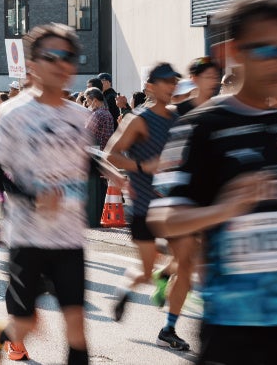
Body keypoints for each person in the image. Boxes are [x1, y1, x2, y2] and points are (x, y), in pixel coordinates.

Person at [147, 0, 277, 364]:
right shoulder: (203, 126)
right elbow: (162, 218)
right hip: (234, 327)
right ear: (235, 51)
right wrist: (225, 209)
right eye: (265, 47)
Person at [0, 23, 92, 365]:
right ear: (32, 64)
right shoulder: (12, 113)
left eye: (69, 57)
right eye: (52, 56)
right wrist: (32, 197)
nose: (62, 64)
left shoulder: (81, 116)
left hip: (70, 237)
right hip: (27, 237)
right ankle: (3, 334)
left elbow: (81, 166)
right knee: (25, 323)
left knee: (76, 326)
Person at [104, 63, 184, 348]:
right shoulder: (138, 119)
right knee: (146, 270)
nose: (171, 86)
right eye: (165, 82)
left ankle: (170, 326)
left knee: (186, 261)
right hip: (145, 207)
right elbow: (110, 154)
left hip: (174, 206)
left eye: (174, 81)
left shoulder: (179, 117)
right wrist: (141, 165)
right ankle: (126, 289)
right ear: (150, 86)